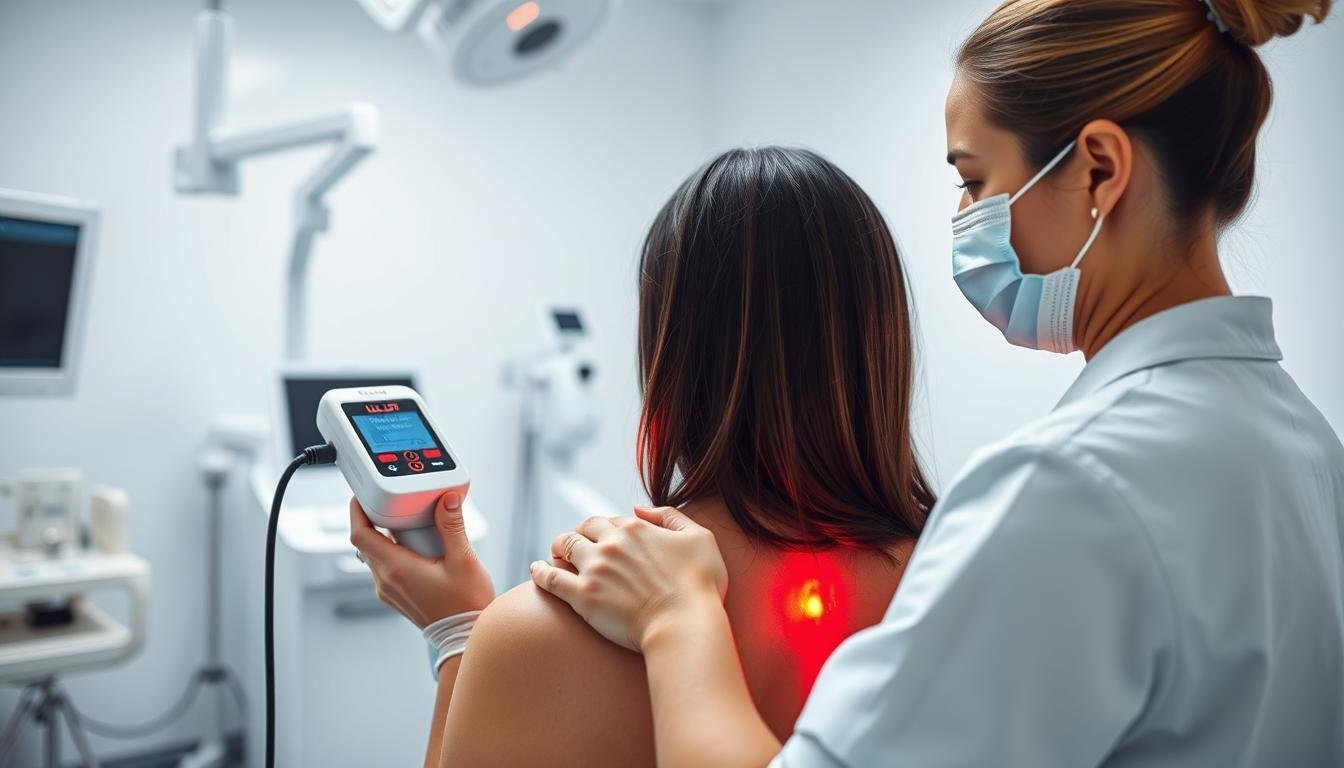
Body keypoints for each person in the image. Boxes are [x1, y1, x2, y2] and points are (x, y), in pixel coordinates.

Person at [525, 0, 1344, 766]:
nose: (964, 219)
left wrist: (678, 618)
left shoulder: (1067, 486)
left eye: (976, 181)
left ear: (1099, 171)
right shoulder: (1306, 447)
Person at [350, 147, 937, 767]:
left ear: (668, 356)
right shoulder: (956, 583)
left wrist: (458, 634)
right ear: (882, 343)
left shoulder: (532, 634)